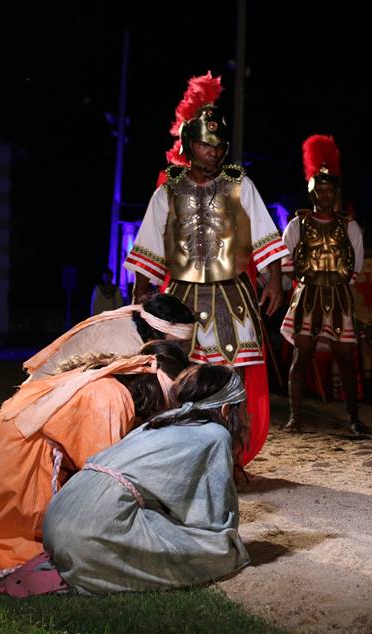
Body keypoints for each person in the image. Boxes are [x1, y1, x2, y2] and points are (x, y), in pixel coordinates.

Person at [123, 72, 287, 464]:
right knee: (180, 375)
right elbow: (149, 245)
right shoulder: (168, 190)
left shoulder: (240, 184)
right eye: (204, 145)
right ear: (188, 145)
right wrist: (141, 294)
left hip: (233, 297)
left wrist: (275, 280)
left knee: (234, 378)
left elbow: (265, 234)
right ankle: (184, 455)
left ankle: (231, 456)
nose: (212, 153)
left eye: (218, 146)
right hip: (182, 297)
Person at [0, 341, 190, 583]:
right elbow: (102, 476)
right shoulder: (110, 396)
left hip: (1, 463)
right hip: (18, 478)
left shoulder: (106, 382)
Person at [37, 364, 250, 595]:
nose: (246, 416)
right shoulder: (215, 435)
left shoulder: (164, 419)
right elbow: (208, 517)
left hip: (59, 517)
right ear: (226, 409)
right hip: (92, 530)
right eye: (242, 408)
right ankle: (90, 562)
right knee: (224, 552)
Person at [281, 135, 366, 433]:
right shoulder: (297, 225)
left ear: (336, 192)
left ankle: (353, 418)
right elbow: (286, 262)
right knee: (301, 358)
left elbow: (356, 264)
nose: (326, 195)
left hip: (339, 297)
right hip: (307, 297)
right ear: (313, 192)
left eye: (330, 190)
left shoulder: (349, 226)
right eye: (321, 189)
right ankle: (295, 417)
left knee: (345, 360)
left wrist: (342, 286)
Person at [23, 293, 195, 382]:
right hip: (46, 396)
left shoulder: (133, 325)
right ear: (156, 331)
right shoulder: (124, 346)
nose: (179, 349)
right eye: (178, 343)